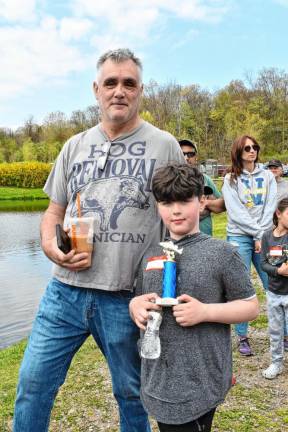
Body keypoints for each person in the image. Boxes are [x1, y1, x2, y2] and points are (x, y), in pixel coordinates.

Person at [13, 48, 184, 432]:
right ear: (96, 89)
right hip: (64, 292)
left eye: (129, 83)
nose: (119, 91)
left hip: (128, 295)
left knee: (132, 393)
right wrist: (48, 246)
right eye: (111, 83)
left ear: (141, 90)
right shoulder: (73, 146)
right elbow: (53, 213)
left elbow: (181, 220)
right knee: (33, 384)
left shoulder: (164, 145)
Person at [129, 163, 259, 431]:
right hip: (158, 381)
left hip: (200, 382)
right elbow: (139, 297)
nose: (175, 210)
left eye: (184, 200)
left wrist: (205, 312)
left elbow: (250, 307)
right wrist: (134, 305)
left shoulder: (223, 253)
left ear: (201, 201)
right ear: (157, 206)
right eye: (166, 202)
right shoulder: (149, 254)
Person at [222, 135, 277, 356]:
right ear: (239, 151)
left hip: (263, 234)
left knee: (273, 280)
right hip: (238, 235)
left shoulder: (267, 176)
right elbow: (236, 213)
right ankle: (243, 335)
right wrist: (256, 234)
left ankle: (283, 333)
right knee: (241, 285)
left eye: (255, 147)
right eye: (247, 148)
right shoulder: (230, 179)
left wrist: (261, 236)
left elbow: (270, 204)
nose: (252, 151)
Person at [261, 198, 288, 379]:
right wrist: (278, 270)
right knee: (275, 331)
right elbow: (263, 263)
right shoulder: (267, 236)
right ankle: (276, 363)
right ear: (278, 214)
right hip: (273, 292)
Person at [178, 138, 225, 236]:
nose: (186, 158)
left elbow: (222, 206)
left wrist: (205, 202)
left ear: (196, 157)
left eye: (190, 154)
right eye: (182, 154)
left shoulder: (205, 179)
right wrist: (201, 206)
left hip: (205, 238)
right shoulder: (169, 181)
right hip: (179, 240)